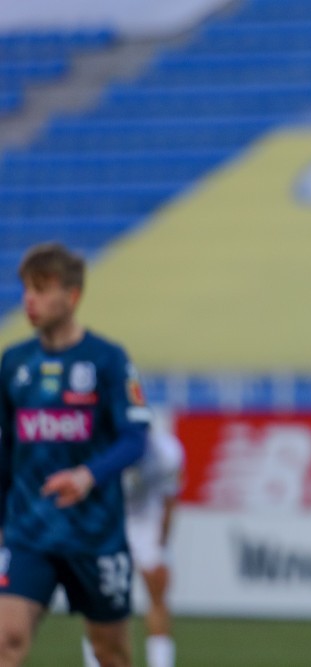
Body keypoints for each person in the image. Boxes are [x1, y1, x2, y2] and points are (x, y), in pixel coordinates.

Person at [0, 242, 151, 667]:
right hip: (29, 533)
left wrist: (87, 475)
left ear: (72, 295)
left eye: (41, 289)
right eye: (27, 289)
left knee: (110, 653)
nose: (30, 300)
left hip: (95, 536)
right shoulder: (14, 363)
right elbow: (5, 450)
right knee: (6, 640)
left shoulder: (107, 360)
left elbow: (135, 437)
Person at [83, 415, 184, 667]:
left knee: (157, 592)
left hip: (147, 520)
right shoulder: (103, 446)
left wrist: (161, 542)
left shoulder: (167, 453)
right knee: (98, 601)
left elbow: (169, 500)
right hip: (111, 519)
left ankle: (160, 662)